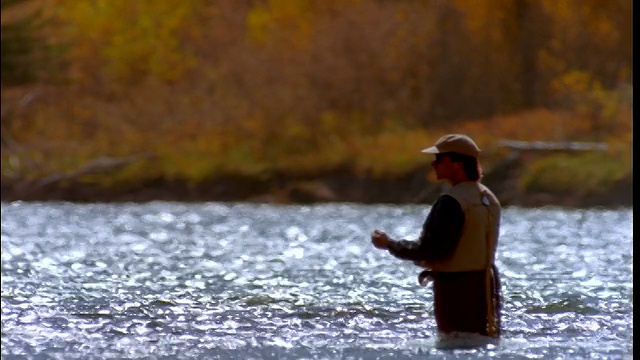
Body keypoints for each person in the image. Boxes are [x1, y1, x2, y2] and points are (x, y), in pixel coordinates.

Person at [371, 134, 502, 337]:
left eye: (440, 159)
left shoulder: (451, 201)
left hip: (456, 291)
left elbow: (431, 250)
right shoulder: (489, 197)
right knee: (484, 342)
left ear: (457, 163)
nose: (434, 164)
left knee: (454, 346)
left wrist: (389, 244)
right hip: (488, 286)